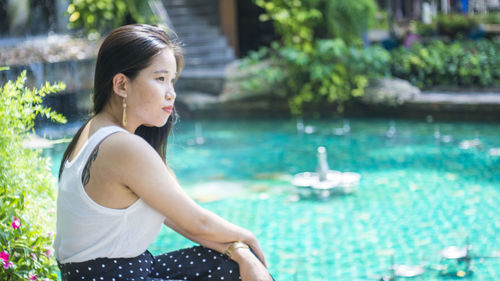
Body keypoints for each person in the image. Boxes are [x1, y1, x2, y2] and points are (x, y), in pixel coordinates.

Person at [53, 24, 273, 281]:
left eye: (172, 80)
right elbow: (197, 222)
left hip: (119, 271)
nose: (171, 94)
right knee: (235, 269)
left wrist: (236, 248)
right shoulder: (122, 146)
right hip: (117, 276)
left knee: (227, 262)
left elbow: (177, 214)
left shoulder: (93, 130)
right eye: (160, 79)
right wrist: (248, 240)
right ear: (122, 84)